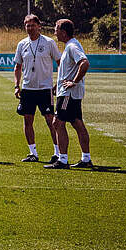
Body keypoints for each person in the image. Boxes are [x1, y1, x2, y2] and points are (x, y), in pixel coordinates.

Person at [13, 14, 63, 163]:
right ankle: (32, 153)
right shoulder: (22, 44)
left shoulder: (49, 42)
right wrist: (16, 85)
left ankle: (57, 153)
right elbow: (18, 67)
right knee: (27, 120)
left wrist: (58, 83)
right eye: (27, 25)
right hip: (27, 88)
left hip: (45, 88)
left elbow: (60, 63)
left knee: (50, 120)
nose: (30, 28)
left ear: (39, 26)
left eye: (33, 25)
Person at [46, 18, 92, 169]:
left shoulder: (72, 46)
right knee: (77, 123)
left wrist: (74, 81)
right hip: (67, 92)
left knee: (57, 122)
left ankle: (63, 160)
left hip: (68, 94)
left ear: (64, 32)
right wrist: (57, 85)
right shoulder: (70, 45)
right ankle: (86, 159)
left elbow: (84, 63)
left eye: (56, 29)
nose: (55, 33)